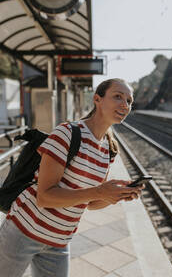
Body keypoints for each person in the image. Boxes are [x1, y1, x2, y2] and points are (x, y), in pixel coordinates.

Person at [0, 78, 143, 277]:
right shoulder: (67, 133)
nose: (125, 105)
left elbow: (90, 203)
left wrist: (113, 197)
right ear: (97, 99)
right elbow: (45, 197)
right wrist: (100, 190)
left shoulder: (109, 150)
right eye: (117, 97)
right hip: (24, 230)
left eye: (129, 101)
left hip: (59, 241)